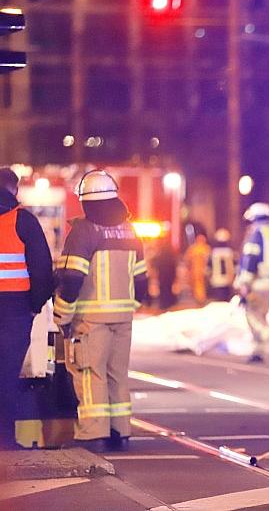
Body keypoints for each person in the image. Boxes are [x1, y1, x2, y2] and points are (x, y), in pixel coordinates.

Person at [53, 170, 147, 452]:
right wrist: (130, 306)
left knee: (90, 373)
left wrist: (62, 314)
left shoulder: (83, 231)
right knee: (118, 374)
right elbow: (141, 281)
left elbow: (71, 278)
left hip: (92, 319)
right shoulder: (131, 231)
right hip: (123, 317)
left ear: (86, 202)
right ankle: (121, 432)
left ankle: (93, 434)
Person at [0, 168, 54, 450]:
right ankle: (5, 439)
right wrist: (34, 305)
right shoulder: (24, 221)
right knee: (7, 375)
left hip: (15, 308)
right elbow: (43, 270)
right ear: (15, 190)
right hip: (14, 309)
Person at [234, 202, 269, 362]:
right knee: (262, 314)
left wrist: (245, 283)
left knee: (253, 316)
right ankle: (258, 352)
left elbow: (250, 259)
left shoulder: (256, 234)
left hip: (258, 282)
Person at [208, 228, 235, 301]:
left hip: (217, 280)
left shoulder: (213, 253)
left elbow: (209, 267)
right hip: (227, 280)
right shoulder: (229, 252)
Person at [184, 233, 210, 305]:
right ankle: (200, 298)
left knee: (200, 285)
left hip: (200, 270)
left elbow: (186, 259)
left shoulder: (203, 248)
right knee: (198, 285)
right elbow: (187, 259)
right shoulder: (198, 249)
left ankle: (200, 298)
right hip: (197, 270)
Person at [152, 238, 177, 310]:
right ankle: (169, 302)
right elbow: (173, 265)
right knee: (168, 288)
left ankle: (164, 304)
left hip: (163, 275)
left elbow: (157, 263)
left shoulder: (161, 253)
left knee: (164, 289)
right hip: (168, 275)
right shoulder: (170, 253)